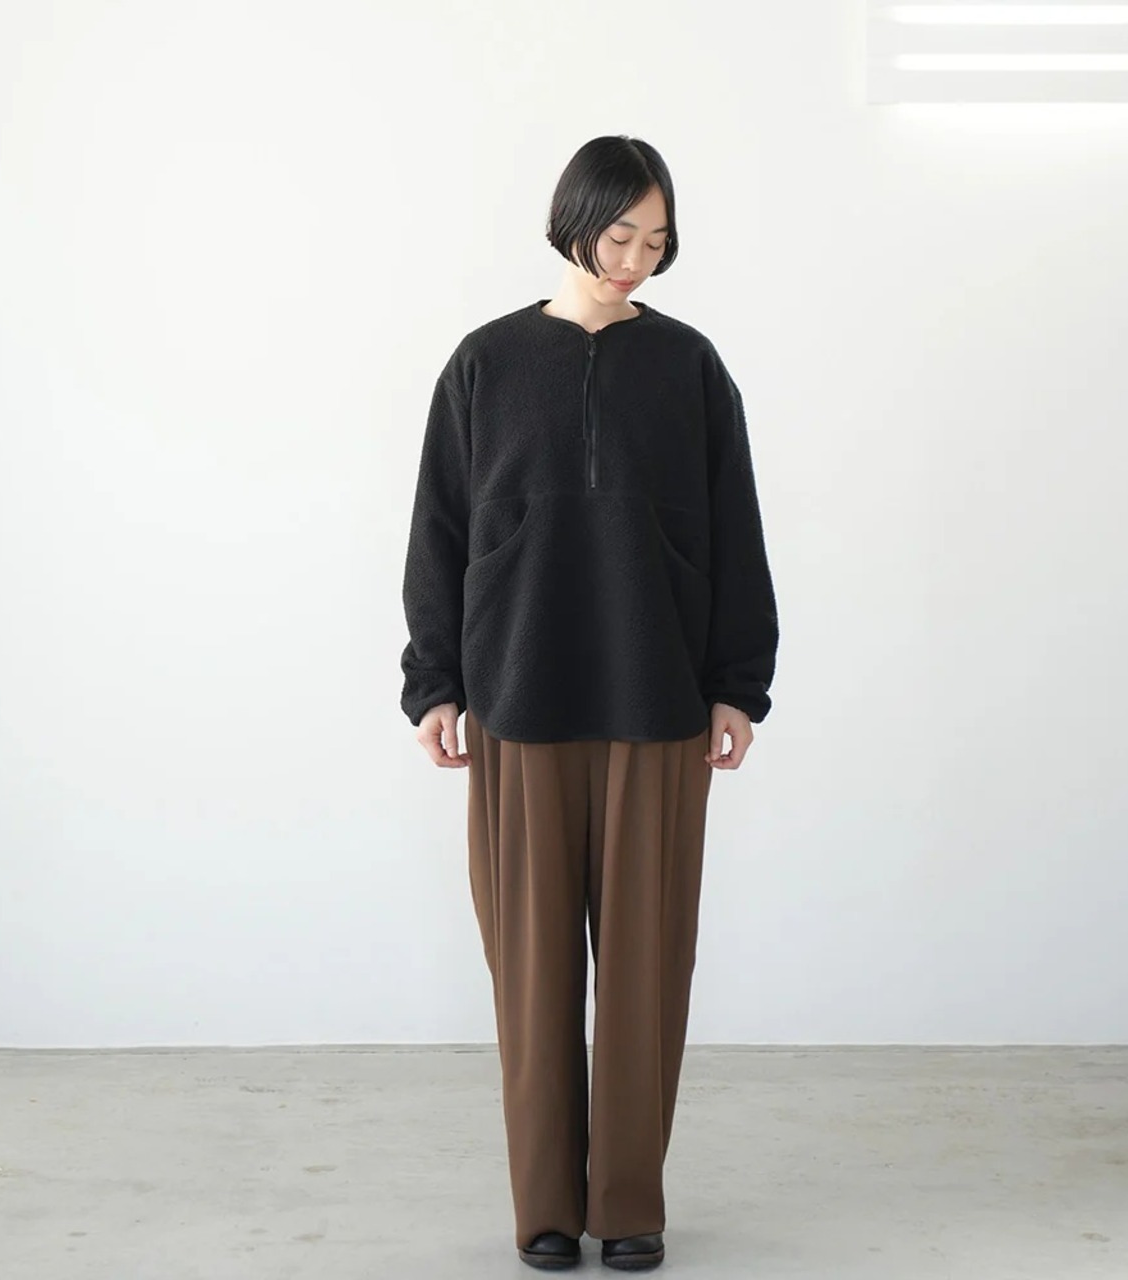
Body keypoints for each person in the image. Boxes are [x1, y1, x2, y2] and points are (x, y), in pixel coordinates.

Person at [399, 135, 779, 1271]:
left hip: (659, 701)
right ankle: (546, 1210)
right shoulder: (485, 362)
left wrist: (737, 683)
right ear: (574, 220)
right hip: (517, 698)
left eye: (656, 242)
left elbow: (736, 527)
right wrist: (434, 682)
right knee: (532, 975)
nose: (635, 260)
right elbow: (439, 529)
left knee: (647, 971)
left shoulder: (689, 365)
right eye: (619, 235)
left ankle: (628, 1204)